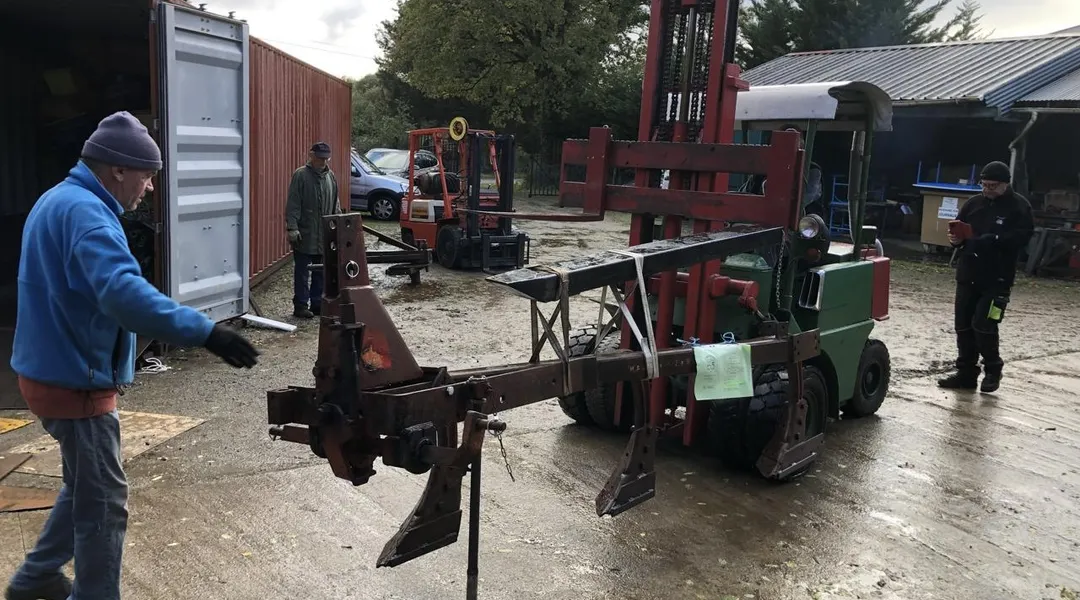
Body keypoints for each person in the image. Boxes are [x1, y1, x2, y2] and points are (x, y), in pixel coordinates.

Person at [4, 111, 260, 600]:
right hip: (74, 381)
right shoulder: (87, 215)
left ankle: (34, 580)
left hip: (49, 371)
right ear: (117, 169)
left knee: (85, 488)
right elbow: (122, 294)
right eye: (146, 176)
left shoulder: (56, 199)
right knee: (103, 503)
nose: (148, 189)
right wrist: (205, 332)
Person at [937, 160, 1034, 393]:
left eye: (992, 186)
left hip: (998, 278)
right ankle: (966, 373)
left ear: (1004, 185)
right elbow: (958, 229)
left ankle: (993, 370)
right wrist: (956, 241)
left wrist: (997, 240)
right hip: (968, 272)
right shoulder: (973, 204)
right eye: (984, 185)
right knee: (963, 326)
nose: (988, 190)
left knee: (984, 324)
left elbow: (1024, 237)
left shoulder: (1019, 207)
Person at [285, 141, 341, 319]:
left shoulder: (330, 177)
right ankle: (300, 305)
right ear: (311, 156)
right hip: (305, 233)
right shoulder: (300, 175)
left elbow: (335, 204)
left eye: (326, 158)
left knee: (321, 270)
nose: (323, 162)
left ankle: (317, 303)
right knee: (302, 271)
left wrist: (336, 225)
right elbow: (293, 204)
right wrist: (292, 228)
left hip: (323, 233)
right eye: (320, 158)